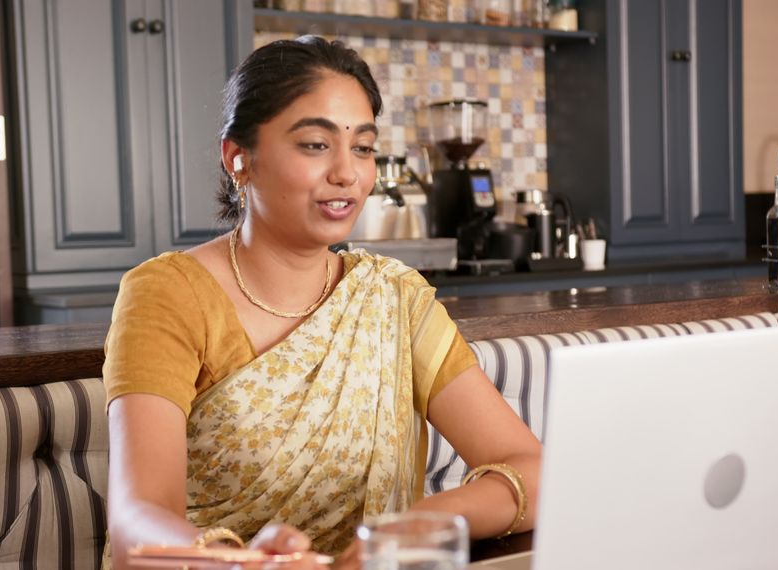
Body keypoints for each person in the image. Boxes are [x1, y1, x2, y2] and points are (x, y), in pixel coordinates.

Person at [103, 35, 541, 569]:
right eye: (315, 144)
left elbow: (532, 471)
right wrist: (248, 565)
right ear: (239, 158)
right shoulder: (167, 293)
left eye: (362, 147)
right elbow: (137, 525)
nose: (347, 173)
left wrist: (418, 524)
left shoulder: (394, 299)